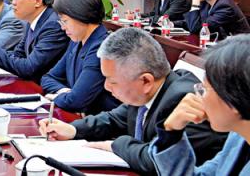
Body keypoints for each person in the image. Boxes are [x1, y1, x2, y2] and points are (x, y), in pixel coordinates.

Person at [39, 27, 225, 174]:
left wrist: (116, 145)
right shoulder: (148, 92)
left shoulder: (184, 100)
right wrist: (72, 130)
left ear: (145, 81)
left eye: (112, 81)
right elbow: (114, 119)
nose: (106, 87)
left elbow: (156, 160)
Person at [150, 35, 250, 175]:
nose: (199, 96)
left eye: (205, 89)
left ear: (233, 97)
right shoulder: (238, 138)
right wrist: (171, 135)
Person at [41, 0, 119, 114]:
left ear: (80, 15)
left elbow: (76, 101)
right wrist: (64, 92)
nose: (62, 27)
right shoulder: (77, 42)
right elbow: (48, 78)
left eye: (65, 21)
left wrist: (57, 97)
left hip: (102, 123)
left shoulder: (102, 47)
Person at [0, 0, 69, 82]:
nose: (13, 3)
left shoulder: (53, 26)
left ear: (37, 1)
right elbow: (18, 55)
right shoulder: (32, 19)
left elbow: (29, 68)